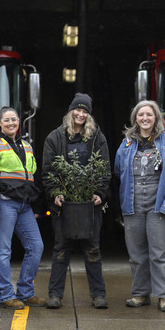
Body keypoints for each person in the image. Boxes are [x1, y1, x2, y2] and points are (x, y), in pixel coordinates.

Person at [42, 93, 111, 309]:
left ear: (88, 115)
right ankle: (55, 295)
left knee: (92, 250)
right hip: (65, 206)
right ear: (71, 111)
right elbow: (47, 171)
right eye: (77, 110)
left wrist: (100, 193)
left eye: (85, 111)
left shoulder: (97, 137)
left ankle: (98, 295)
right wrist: (55, 193)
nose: (81, 114)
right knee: (61, 249)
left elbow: (105, 169)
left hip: (90, 206)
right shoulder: (55, 137)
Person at [114, 100, 165, 312]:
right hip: (133, 205)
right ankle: (140, 294)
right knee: (136, 254)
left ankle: (164, 296)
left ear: (156, 118)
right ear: (135, 118)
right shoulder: (126, 143)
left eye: (149, 115)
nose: (145, 118)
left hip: (159, 205)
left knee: (160, 253)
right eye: (141, 114)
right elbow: (118, 170)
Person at [0, 107, 46, 310]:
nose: (10, 123)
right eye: (6, 120)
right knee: (4, 250)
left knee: (36, 247)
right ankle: (7, 294)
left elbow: (33, 176)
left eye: (14, 120)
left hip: (24, 205)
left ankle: (25, 292)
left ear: (19, 122)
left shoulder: (26, 145)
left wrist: (36, 203)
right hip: (3, 203)